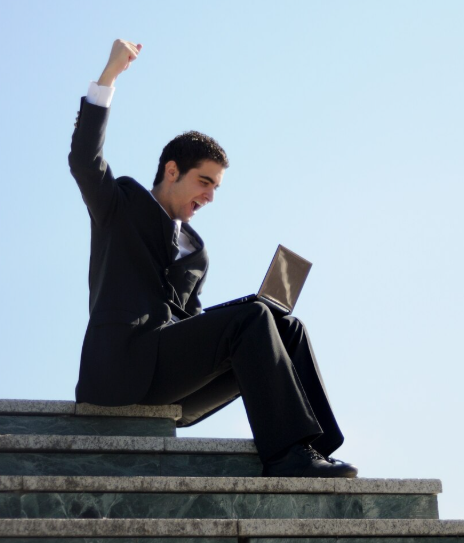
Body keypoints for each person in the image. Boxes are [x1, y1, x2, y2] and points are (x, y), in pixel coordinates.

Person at [69, 39, 356, 478]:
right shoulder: (120, 206)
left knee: (284, 325)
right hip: (120, 371)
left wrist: (253, 313)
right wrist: (109, 77)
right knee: (253, 317)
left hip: (171, 383)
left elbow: (192, 323)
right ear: (171, 171)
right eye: (204, 182)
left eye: (216, 188)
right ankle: (284, 457)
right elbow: (85, 162)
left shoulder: (197, 252)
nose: (210, 195)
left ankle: (312, 446)